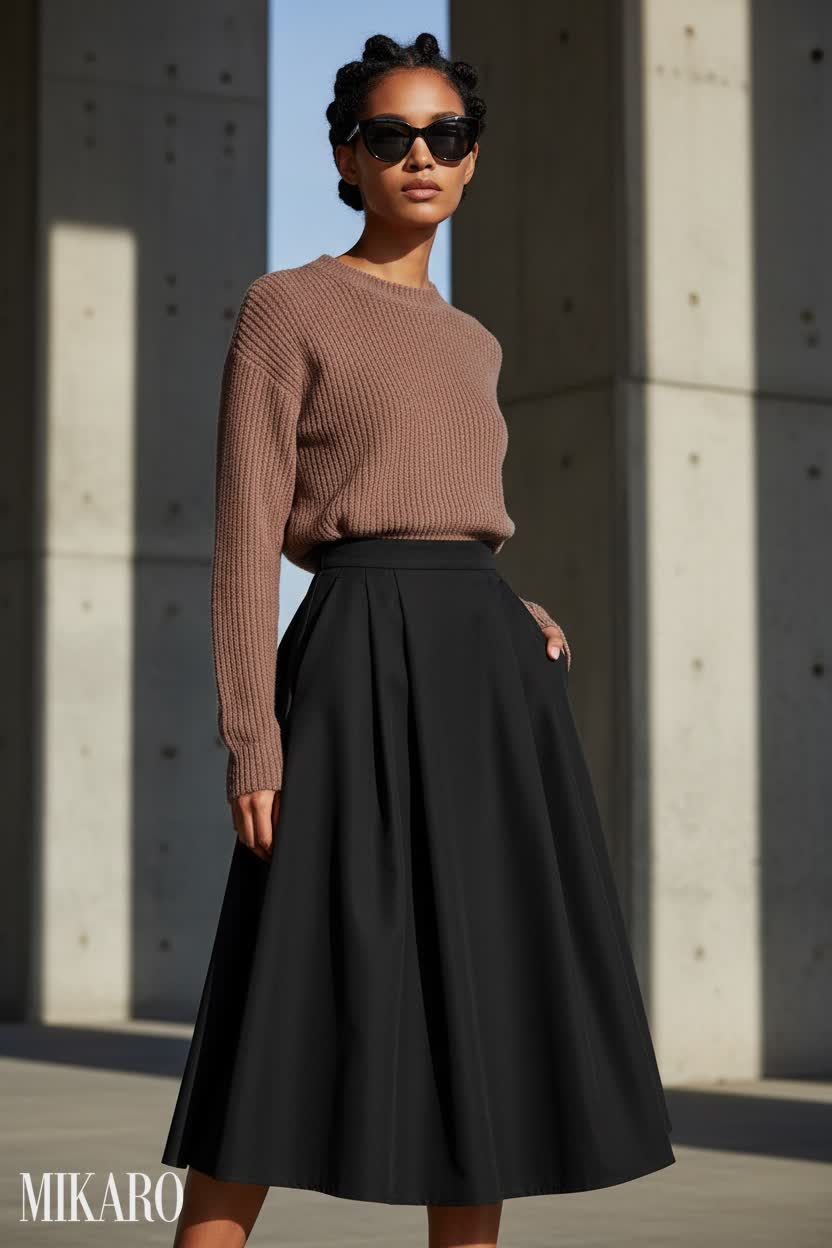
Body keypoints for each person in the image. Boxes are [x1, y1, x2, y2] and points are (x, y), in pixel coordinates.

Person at [161, 30, 675, 1248]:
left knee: (482, 1019)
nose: (419, 157)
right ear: (347, 155)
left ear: (474, 157)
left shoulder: (476, 341)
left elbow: (456, 513)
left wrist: (510, 602)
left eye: (443, 136)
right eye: (389, 136)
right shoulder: (285, 307)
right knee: (281, 1017)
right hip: (351, 669)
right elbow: (250, 534)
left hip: (489, 682)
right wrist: (252, 737)